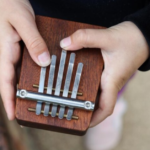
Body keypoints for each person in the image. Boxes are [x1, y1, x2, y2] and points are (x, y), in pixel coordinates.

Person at [0, 0, 150, 149]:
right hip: (34, 14)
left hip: (117, 31)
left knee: (110, 83)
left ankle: (113, 104)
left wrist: (143, 32)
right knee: (29, 69)